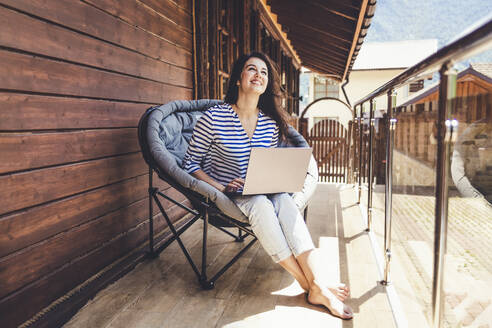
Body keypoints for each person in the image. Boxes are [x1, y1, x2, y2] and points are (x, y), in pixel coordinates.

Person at [183, 52, 353, 320]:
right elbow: (190, 164)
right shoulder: (214, 117)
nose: (258, 75)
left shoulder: (270, 123)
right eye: (251, 69)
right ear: (238, 79)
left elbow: (269, 162)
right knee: (261, 204)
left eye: (263, 72)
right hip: (230, 194)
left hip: (264, 187)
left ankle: (316, 283)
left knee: (285, 202)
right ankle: (311, 284)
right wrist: (222, 185)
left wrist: (279, 179)